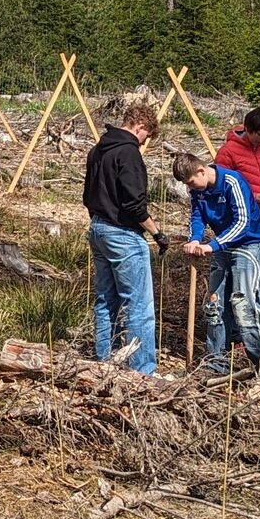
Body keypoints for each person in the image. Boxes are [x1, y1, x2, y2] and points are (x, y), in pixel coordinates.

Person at [172, 153, 260, 375]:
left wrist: (213, 245)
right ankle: (216, 362)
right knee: (215, 304)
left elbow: (243, 222)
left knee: (244, 305)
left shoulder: (232, 181)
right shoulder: (198, 192)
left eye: (190, 182)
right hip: (222, 246)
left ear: (201, 170)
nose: (190, 188)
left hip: (251, 245)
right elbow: (197, 217)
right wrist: (195, 239)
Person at [84, 94, 162, 375]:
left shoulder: (98, 150)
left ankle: (105, 362)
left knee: (106, 299)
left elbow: (87, 194)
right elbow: (134, 203)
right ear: (140, 125)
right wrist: (156, 233)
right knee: (138, 304)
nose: (144, 142)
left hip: (98, 228)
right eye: (146, 136)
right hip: (123, 233)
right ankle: (142, 371)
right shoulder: (128, 153)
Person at [212, 109, 260, 223]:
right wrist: (254, 197)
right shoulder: (228, 151)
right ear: (248, 129)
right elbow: (221, 187)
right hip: (241, 220)